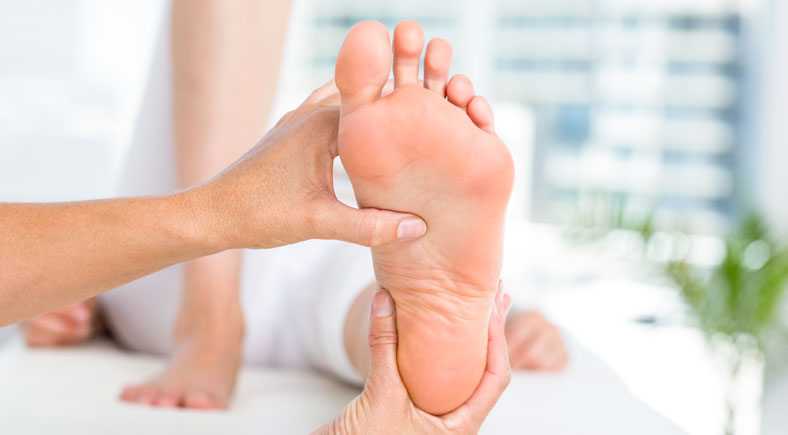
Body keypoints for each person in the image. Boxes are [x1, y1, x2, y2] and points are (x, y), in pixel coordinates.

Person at [22, 11, 568, 412]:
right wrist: (78, 291)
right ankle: (415, 344)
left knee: (382, 260)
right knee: (374, 266)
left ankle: (420, 346)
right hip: (275, 247)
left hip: (182, 279)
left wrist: (79, 286)